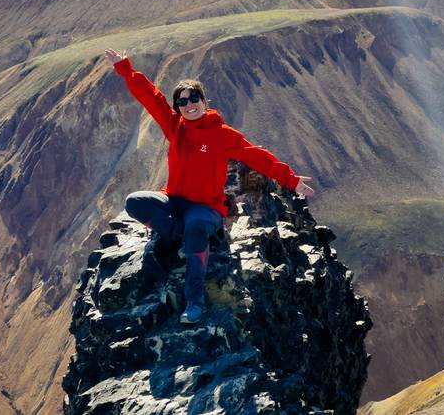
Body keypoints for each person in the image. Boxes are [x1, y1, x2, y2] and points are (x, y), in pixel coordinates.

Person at [104, 48, 314, 323]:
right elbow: (151, 98)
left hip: (207, 207)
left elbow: (257, 156)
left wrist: (291, 180)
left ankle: (195, 301)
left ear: (204, 101)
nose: (189, 104)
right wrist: (127, 71)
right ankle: (184, 236)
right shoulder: (175, 126)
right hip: (175, 200)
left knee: (195, 226)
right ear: (178, 106)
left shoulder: (221, 135)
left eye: (194, 98)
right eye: (182, 101)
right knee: (135, 202)